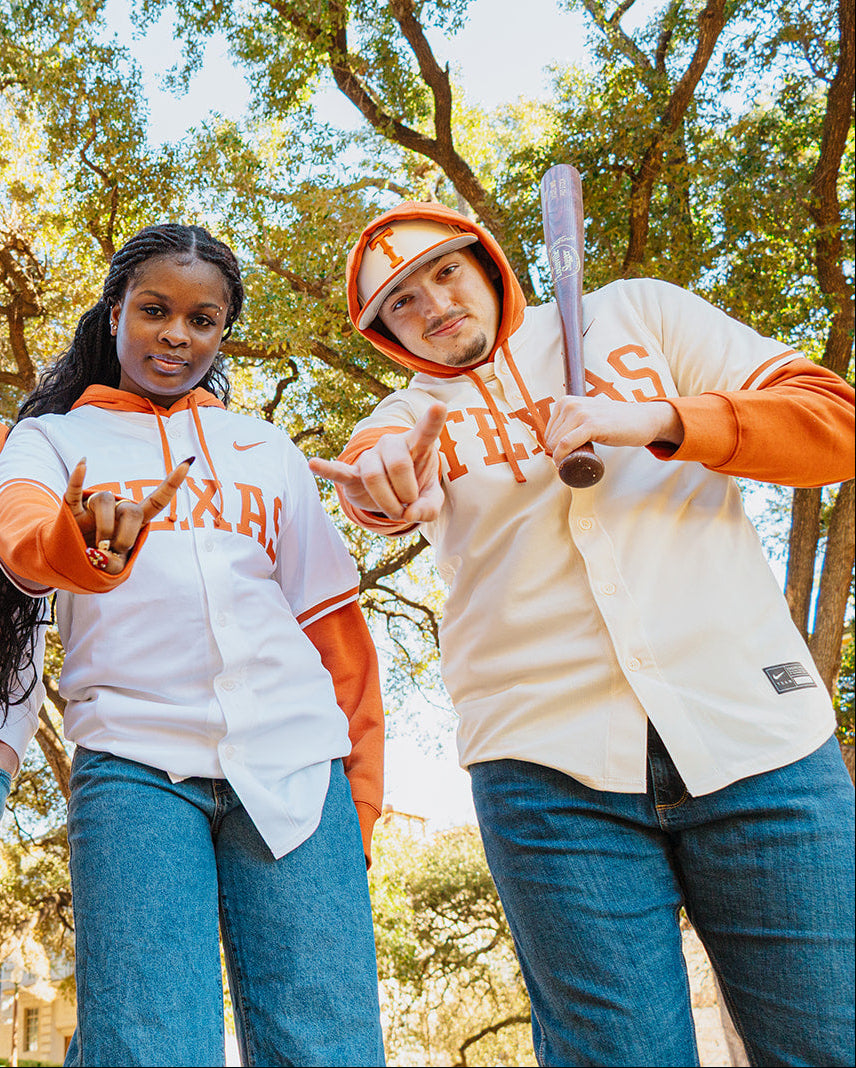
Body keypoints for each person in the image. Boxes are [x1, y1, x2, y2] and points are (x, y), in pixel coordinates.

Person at [309, 202, 856, 1067]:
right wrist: (385, 489)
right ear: (387, 334)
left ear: (487, 262)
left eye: (445, 270)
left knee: (831, 1043)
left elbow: (836, 424)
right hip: (549, 776)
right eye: (402, 303)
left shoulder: (641, 313)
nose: (433, 303)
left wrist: (656, 420)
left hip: (761, 740)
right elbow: (381, 476)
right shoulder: (404, 413)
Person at [0, 223, 386, 1068]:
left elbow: (334, 629)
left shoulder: (266, 450)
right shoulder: (51, 440)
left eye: (203, 320)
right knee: (149, 1045)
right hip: (136, 767)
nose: (177, 334)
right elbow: (23, 537)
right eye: (154, 310)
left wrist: (360, 793)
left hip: (296, 769)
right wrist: (79, 546)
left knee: (330, 1046)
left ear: (221, 333)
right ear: (114, 316)